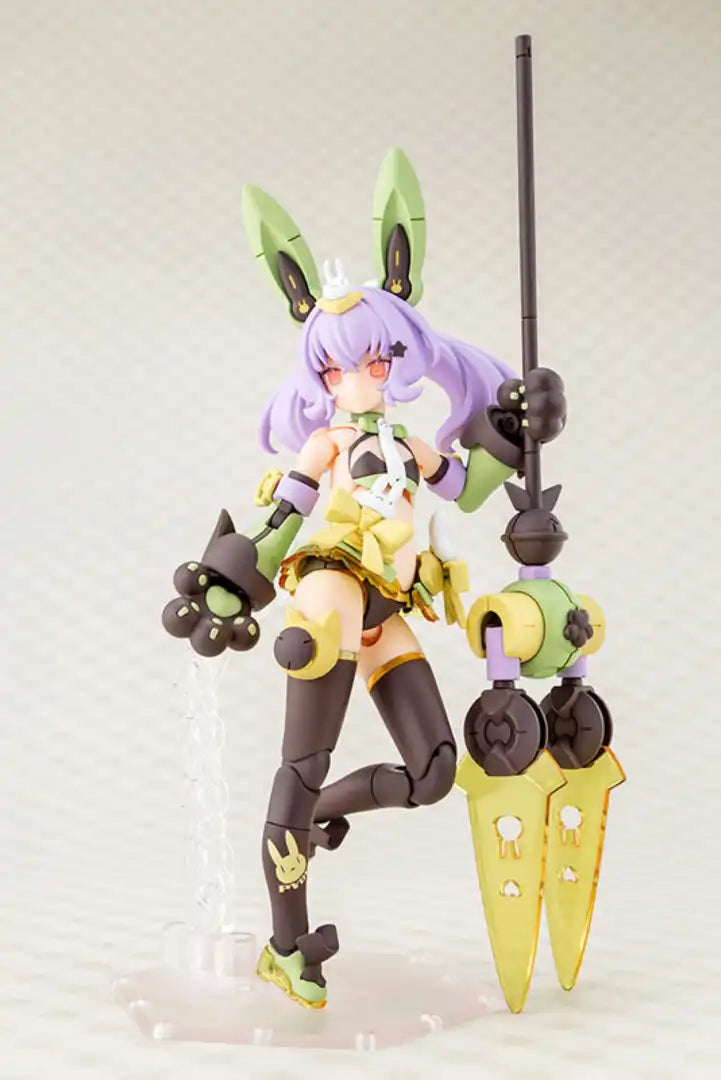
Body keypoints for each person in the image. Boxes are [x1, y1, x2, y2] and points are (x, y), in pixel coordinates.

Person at [162, 151, 566, 1008]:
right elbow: (282, 521)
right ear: (318, 375)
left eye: (376, 362)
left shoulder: (411, 443)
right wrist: (233, 580)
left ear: (397, 359)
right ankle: (285, 943)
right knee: (302, 758)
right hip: (331, 592)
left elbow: (471, 488)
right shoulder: (324, 444)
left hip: (388, 605)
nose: (359, 379)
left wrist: (518, 424)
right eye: (340, 369)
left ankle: (313, 817)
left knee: (432, 772)